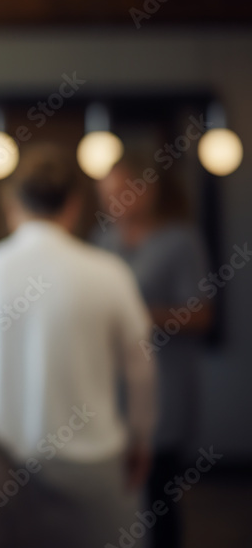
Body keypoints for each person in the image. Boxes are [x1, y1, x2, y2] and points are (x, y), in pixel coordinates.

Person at [0, 143, 157, 548]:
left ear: (10, 204)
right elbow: (141, 369)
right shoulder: (109, 274)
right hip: (92, 466)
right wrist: (141, 438)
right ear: (74, 206)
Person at [92, 151, 213, 548]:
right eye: (107, 193)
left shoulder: (179, 241)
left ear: (147, 190)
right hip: (114, 388)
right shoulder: (104, 241)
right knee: (120, 495)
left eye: (122, 191)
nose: (113, 201)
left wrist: (135, 316)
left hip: (165, 382)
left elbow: (200, 314)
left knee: (159, 491)